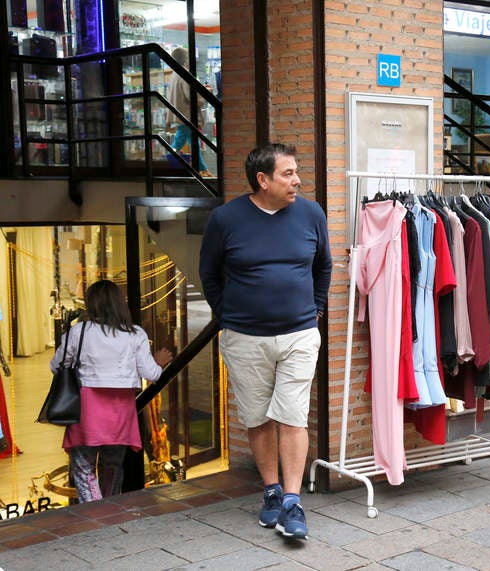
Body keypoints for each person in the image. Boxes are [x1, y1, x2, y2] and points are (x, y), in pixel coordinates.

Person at [198, 143, 332, 540]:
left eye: (296, 172)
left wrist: (316, 308)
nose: (297, 180)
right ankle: (271, 491)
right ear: (263, 180)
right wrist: (228, 316)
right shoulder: (226, 219)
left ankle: (292, 502)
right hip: (245, 338)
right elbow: (209, 274)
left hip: (299, 335)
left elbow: (323, 265)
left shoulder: (311, 213)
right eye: (288, 174)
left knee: (292, 416)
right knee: (258, 418)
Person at [50, 280, 173, 503]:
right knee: (113, 466)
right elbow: (152, 374)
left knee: (84, 469)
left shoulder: (80, 331)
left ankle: (97, 514)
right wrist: (159, 362)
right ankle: (110, 510)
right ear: (119, 303)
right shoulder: (135, 334)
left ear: (91, 304)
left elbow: (56, 366)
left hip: (87, 411)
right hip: (120, 413)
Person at [166, 47, 212, 177]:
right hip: (187, 115)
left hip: (180, 114)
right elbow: (191, 96)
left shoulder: (174, 75)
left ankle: (202, 169)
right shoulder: (184, 74)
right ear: (185, 60)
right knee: (180, 141)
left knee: (193, 142)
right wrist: (205, 93)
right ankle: (166, 161)